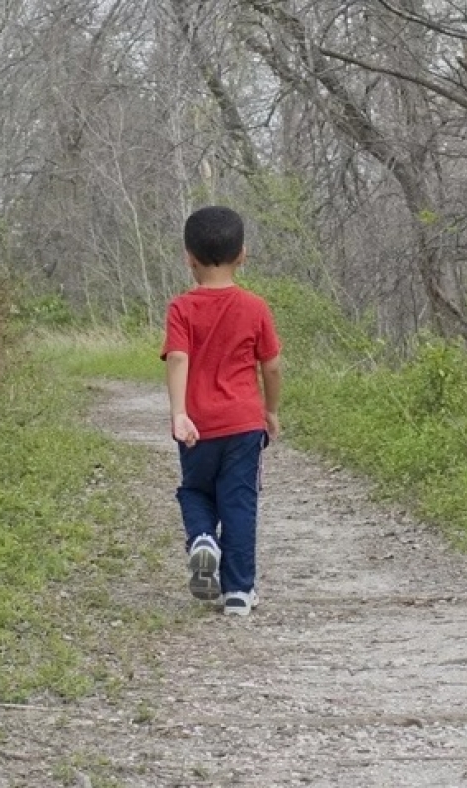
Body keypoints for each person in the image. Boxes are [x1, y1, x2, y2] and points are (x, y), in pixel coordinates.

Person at [160, 205, 282, 617]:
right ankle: (238, 591)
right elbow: (272, 365)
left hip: (198, 424)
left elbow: (177, 357)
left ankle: (201, 539)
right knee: (239, 500)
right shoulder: (255, 307)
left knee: (195, 490)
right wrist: (272, 409)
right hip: (245, 422)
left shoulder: (181, 308)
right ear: (242, 254)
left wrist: (180, 413)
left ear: (188, 256)